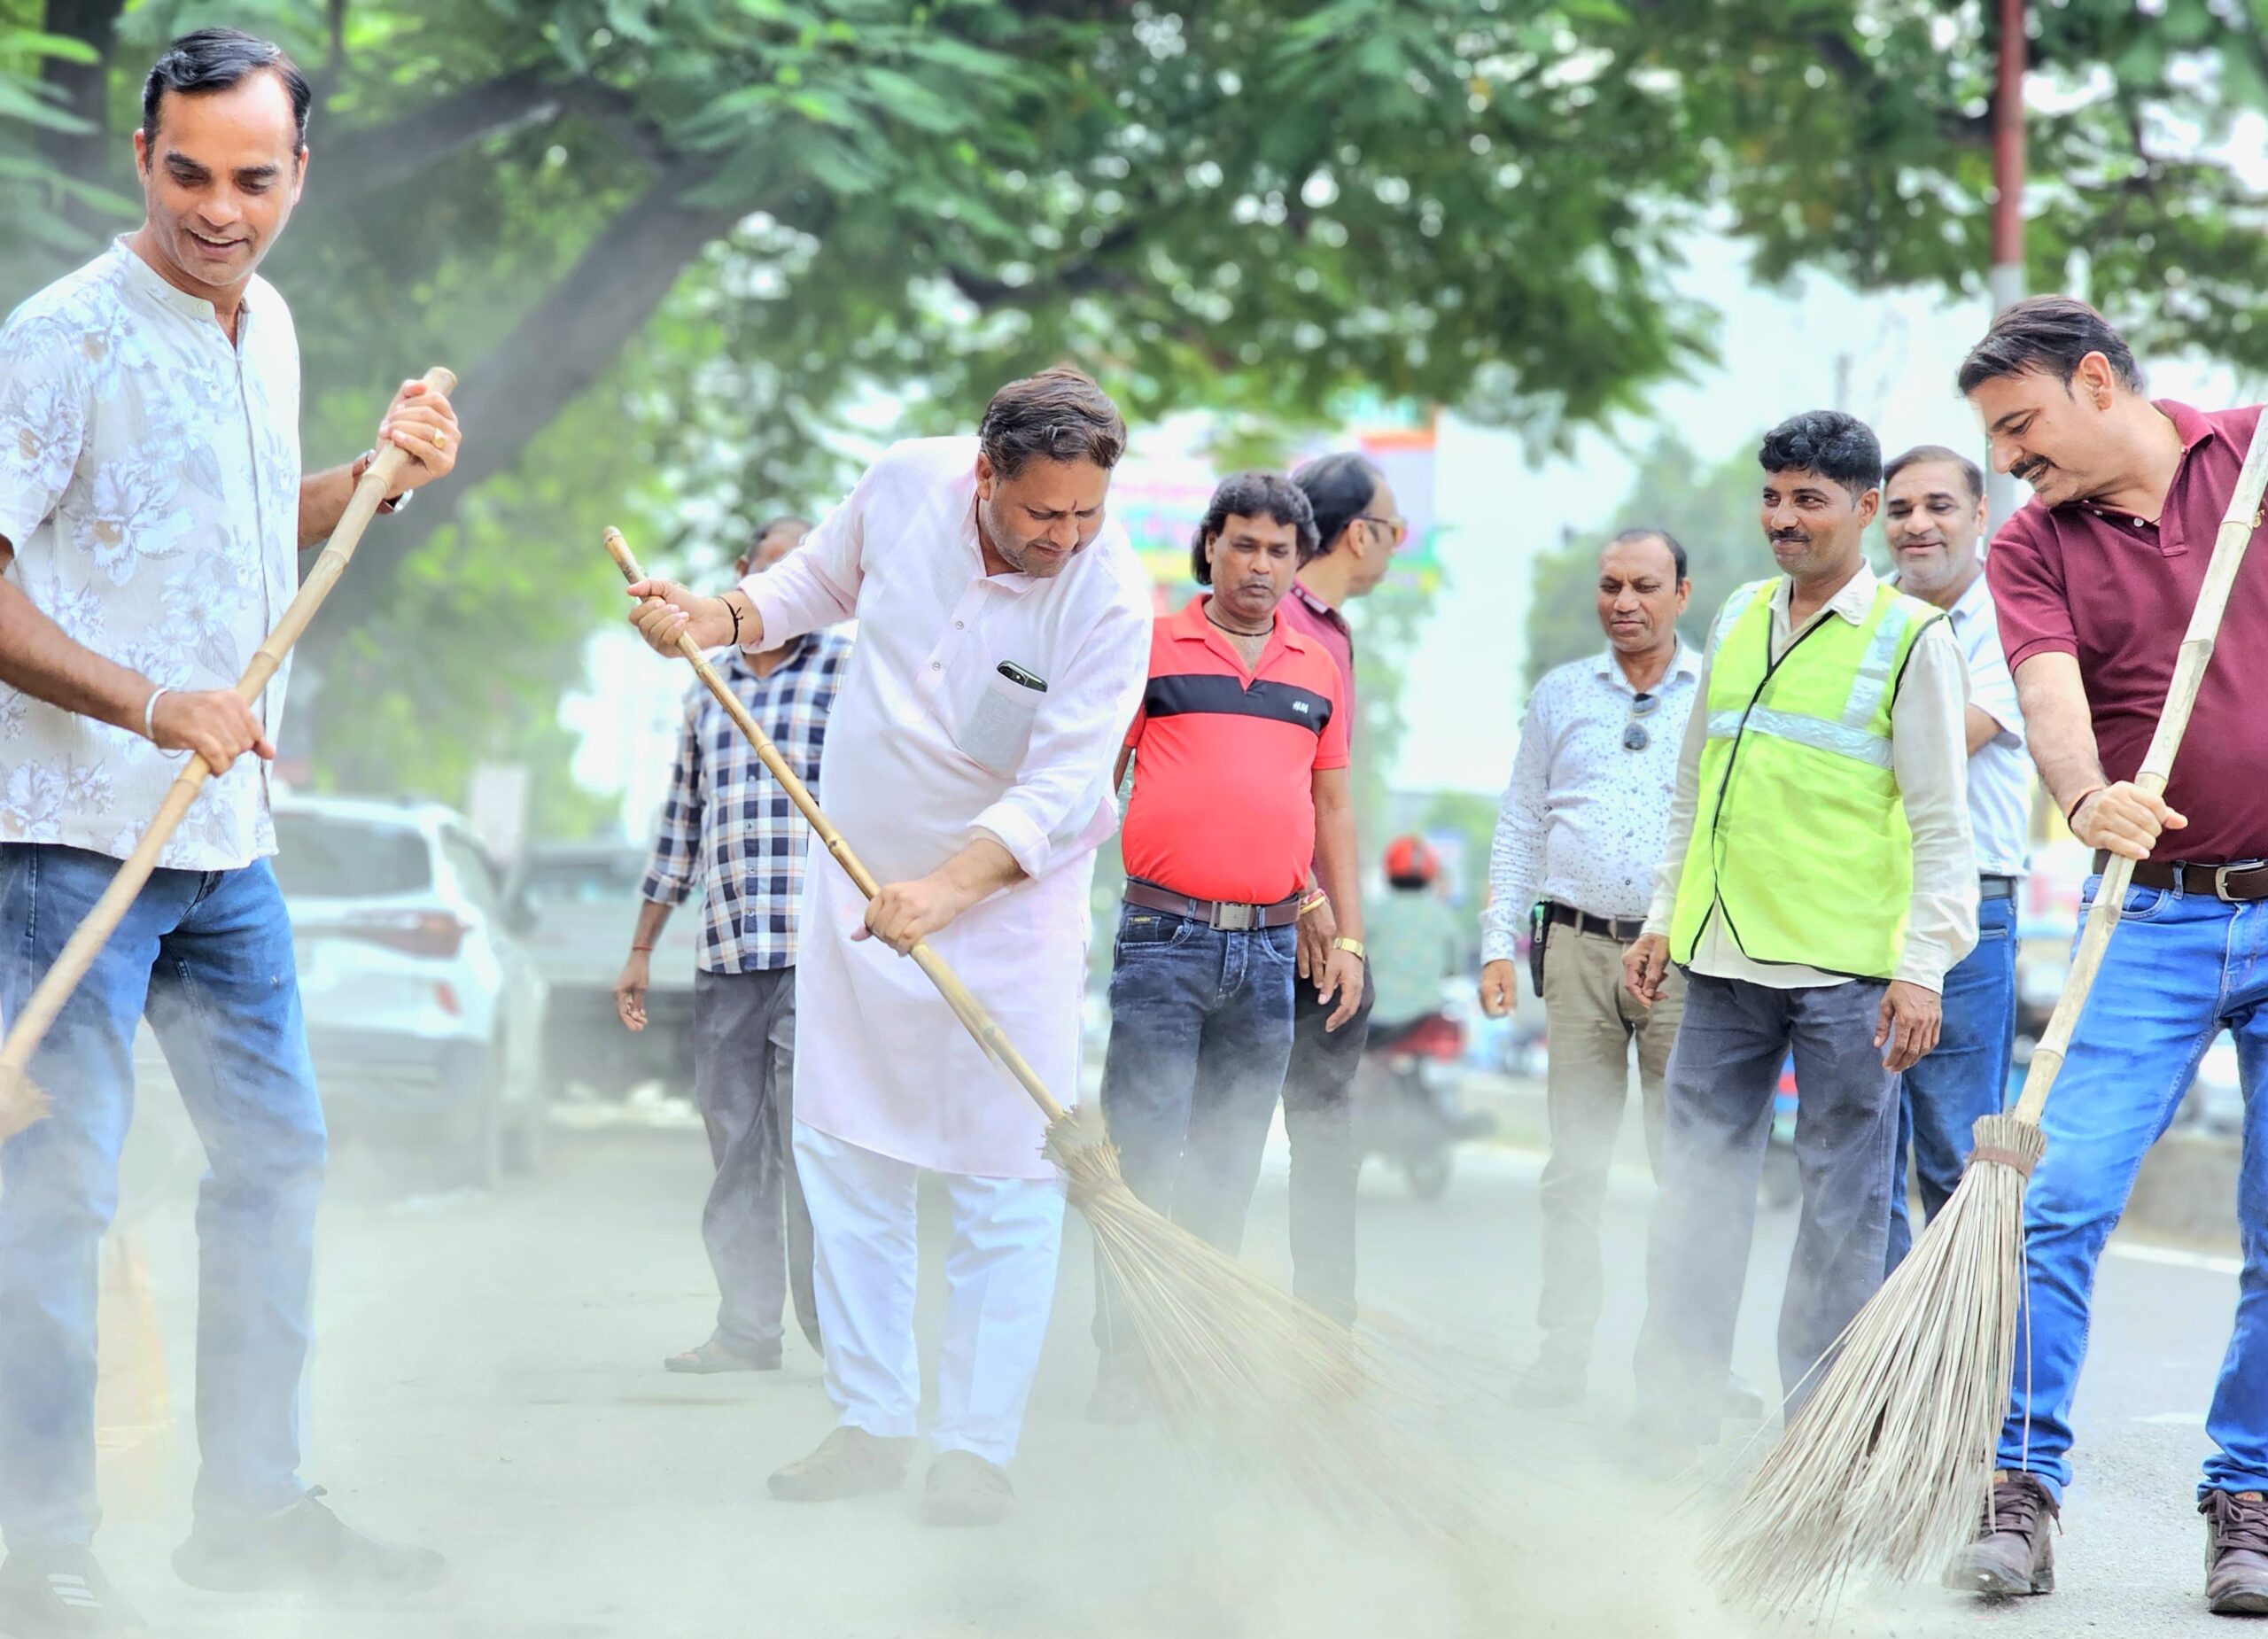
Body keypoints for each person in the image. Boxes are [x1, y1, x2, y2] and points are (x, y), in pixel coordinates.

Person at [0, 29, 461, 1636]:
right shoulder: (55, 343)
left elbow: (251, 525)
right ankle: (38, 1541)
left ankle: (255, 1511)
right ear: (142, 158)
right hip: (69, 846)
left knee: (277, 1164)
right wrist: (151, 704)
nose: (218, 208)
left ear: (297, 177)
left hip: (229, 851)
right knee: (57, 1193)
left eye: (252, 179)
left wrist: (375, 478)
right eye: (188, 172)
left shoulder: (268, 326)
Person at [625, 368, 1149, 1527]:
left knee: (1006, 1179)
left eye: (1085, 514)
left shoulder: (1110, 594)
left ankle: (974, 1447)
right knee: (846, 1153)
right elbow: (813, 583)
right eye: (1039, 514)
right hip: (858, 889)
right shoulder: (908, 480)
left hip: (1006, 912)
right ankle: (869, 1422)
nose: (1063, 537)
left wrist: (951, 887)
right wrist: (711, 619)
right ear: (984, 475)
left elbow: (1067, 787)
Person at [1944, 297, 2268, 1613]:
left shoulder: (2254, 458)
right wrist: (2086, 800)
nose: (2014, 459)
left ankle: (2248, 1502)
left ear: (2095, 380)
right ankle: (2020, 1488)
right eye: (1997, 441)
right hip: (2150, 913)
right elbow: (2049, 707)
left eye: (2023, 427)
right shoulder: (2030, 548)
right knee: (2057, 1198)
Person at [1623, 411, 1976, 1459]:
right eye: (1772, 495)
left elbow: (1941, 822)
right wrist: (1660, 916)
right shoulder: (1734, 615)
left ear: (1864, 509)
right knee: (1691, 1196)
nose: (1783, 516)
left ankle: (1812, 1445)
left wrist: (1919, 970)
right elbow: (1694, 787)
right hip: (1721, 961)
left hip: (1846, 979)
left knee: (1839, 1215)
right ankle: (1670, 1422)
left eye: (1809, 498)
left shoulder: (1911, 639)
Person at [1086, 471, 1363, 1425]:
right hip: (1161, 940)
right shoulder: (1151, 646)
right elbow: (1095, 778)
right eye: (1242, 544)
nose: (1258, 565)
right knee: (1142, 1160)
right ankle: (1124, 1364)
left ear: (1299, 561)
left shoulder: (1315, 669)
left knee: (1228, 1166)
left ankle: (1194, 1359)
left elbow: (1326, 807)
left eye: (1279, 550)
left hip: (1267, 955)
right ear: (1209, 546)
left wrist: (1342, 924)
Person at [615, 516, 844, 1375]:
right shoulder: (703, 687)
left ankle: (839, 1334)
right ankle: (747, 1329)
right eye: (772, 576)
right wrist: (641, 949)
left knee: (808, 1147)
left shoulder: (847, 676)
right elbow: (679, 830)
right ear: (742, 577)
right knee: (734, 1143)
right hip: (725, 954)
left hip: (817, 957)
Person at [1479, 528, 1700, 1409]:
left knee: (1685, 1167)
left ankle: (1683, 1359)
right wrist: (1499, 942)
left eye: (1645, 585)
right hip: (1571, 950)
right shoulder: (1561, 692)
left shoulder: (1719, 690)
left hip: (1683, 958)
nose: (1624, 601)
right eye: (1610, 584)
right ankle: (1562, 1347)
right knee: (1573, 1165)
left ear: (1681, 593)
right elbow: (1521, 823)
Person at [1881, 446, 2030, 1270]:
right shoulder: (1861, 619)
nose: (1918, 524)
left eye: (1939, 505)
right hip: (1859, 910)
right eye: (1900, 509)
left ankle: (1962, 1378)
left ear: (1981, 516)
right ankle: (1872, 1374)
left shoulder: (2015, 623)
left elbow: (1935, 748)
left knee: (1953, 1156)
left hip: (1968, 917)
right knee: (1861, 1164)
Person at [1277, 452, 1402, 1325]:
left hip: (1324, 928)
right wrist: (1305, 905)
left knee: (1328, 1131)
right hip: (1270, 924)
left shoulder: (1332, 631)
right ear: (1358, 533)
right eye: (1392, 529)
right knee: (1224, 1127)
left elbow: (1332, 797)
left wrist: (1352, 937)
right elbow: (1270, 790)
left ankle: (1324, 1326)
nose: (1394, 545)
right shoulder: (1276, 623)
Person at [1366, 836, 1462, 1037]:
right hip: (1424, 1017)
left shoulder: (1370, 913)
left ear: (1388, 871)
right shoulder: (1443, 917)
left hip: (1372, 1016)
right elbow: (1453, 969)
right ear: (1430, 874)